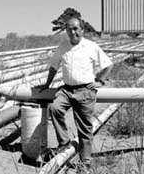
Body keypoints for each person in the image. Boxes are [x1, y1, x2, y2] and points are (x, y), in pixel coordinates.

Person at [37, 16, 113, 172]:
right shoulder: (63, 46)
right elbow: (53, 66)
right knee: (54, 108)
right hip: (66, 89)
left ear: (82, 30)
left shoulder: (91, 46)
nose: (72, 32)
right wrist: (47, 84)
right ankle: (64, 142)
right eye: (69, 29)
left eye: (75, 28)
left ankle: (85, 163)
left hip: (85, 90)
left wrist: (100, 81)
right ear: (66, 31)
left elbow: (108, 65)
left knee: (84, 128)